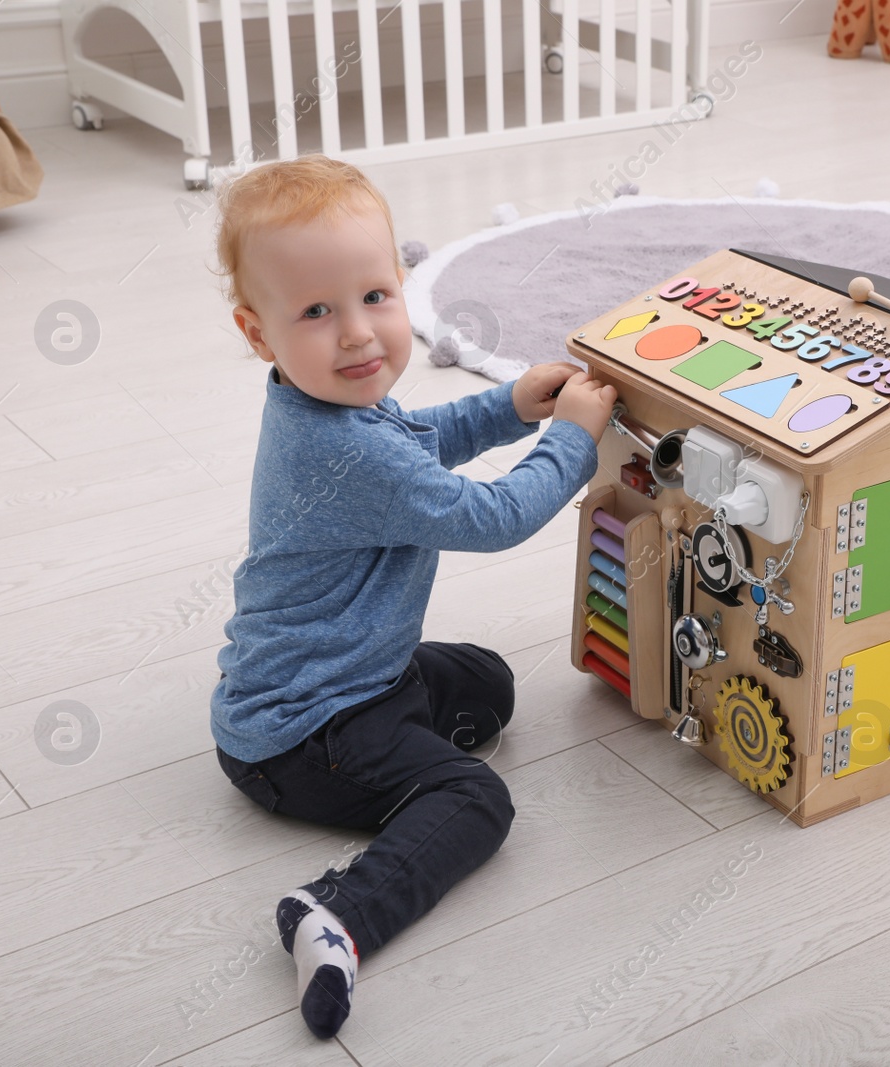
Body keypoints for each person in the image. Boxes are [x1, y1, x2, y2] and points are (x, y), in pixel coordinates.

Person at [206, 154, 616, 1039]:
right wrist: (572, 442)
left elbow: (418, 438)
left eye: (375, 297)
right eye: (316, 311)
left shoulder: (324, 406)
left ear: (402, 287)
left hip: (348, 675)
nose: (357, 333)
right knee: (477, 799)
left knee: (488, 683)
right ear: (257, 331)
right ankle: (342, 914)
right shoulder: (345, 450)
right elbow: (499, 513)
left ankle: (401, 760)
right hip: (303, 734)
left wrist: (510, 405)